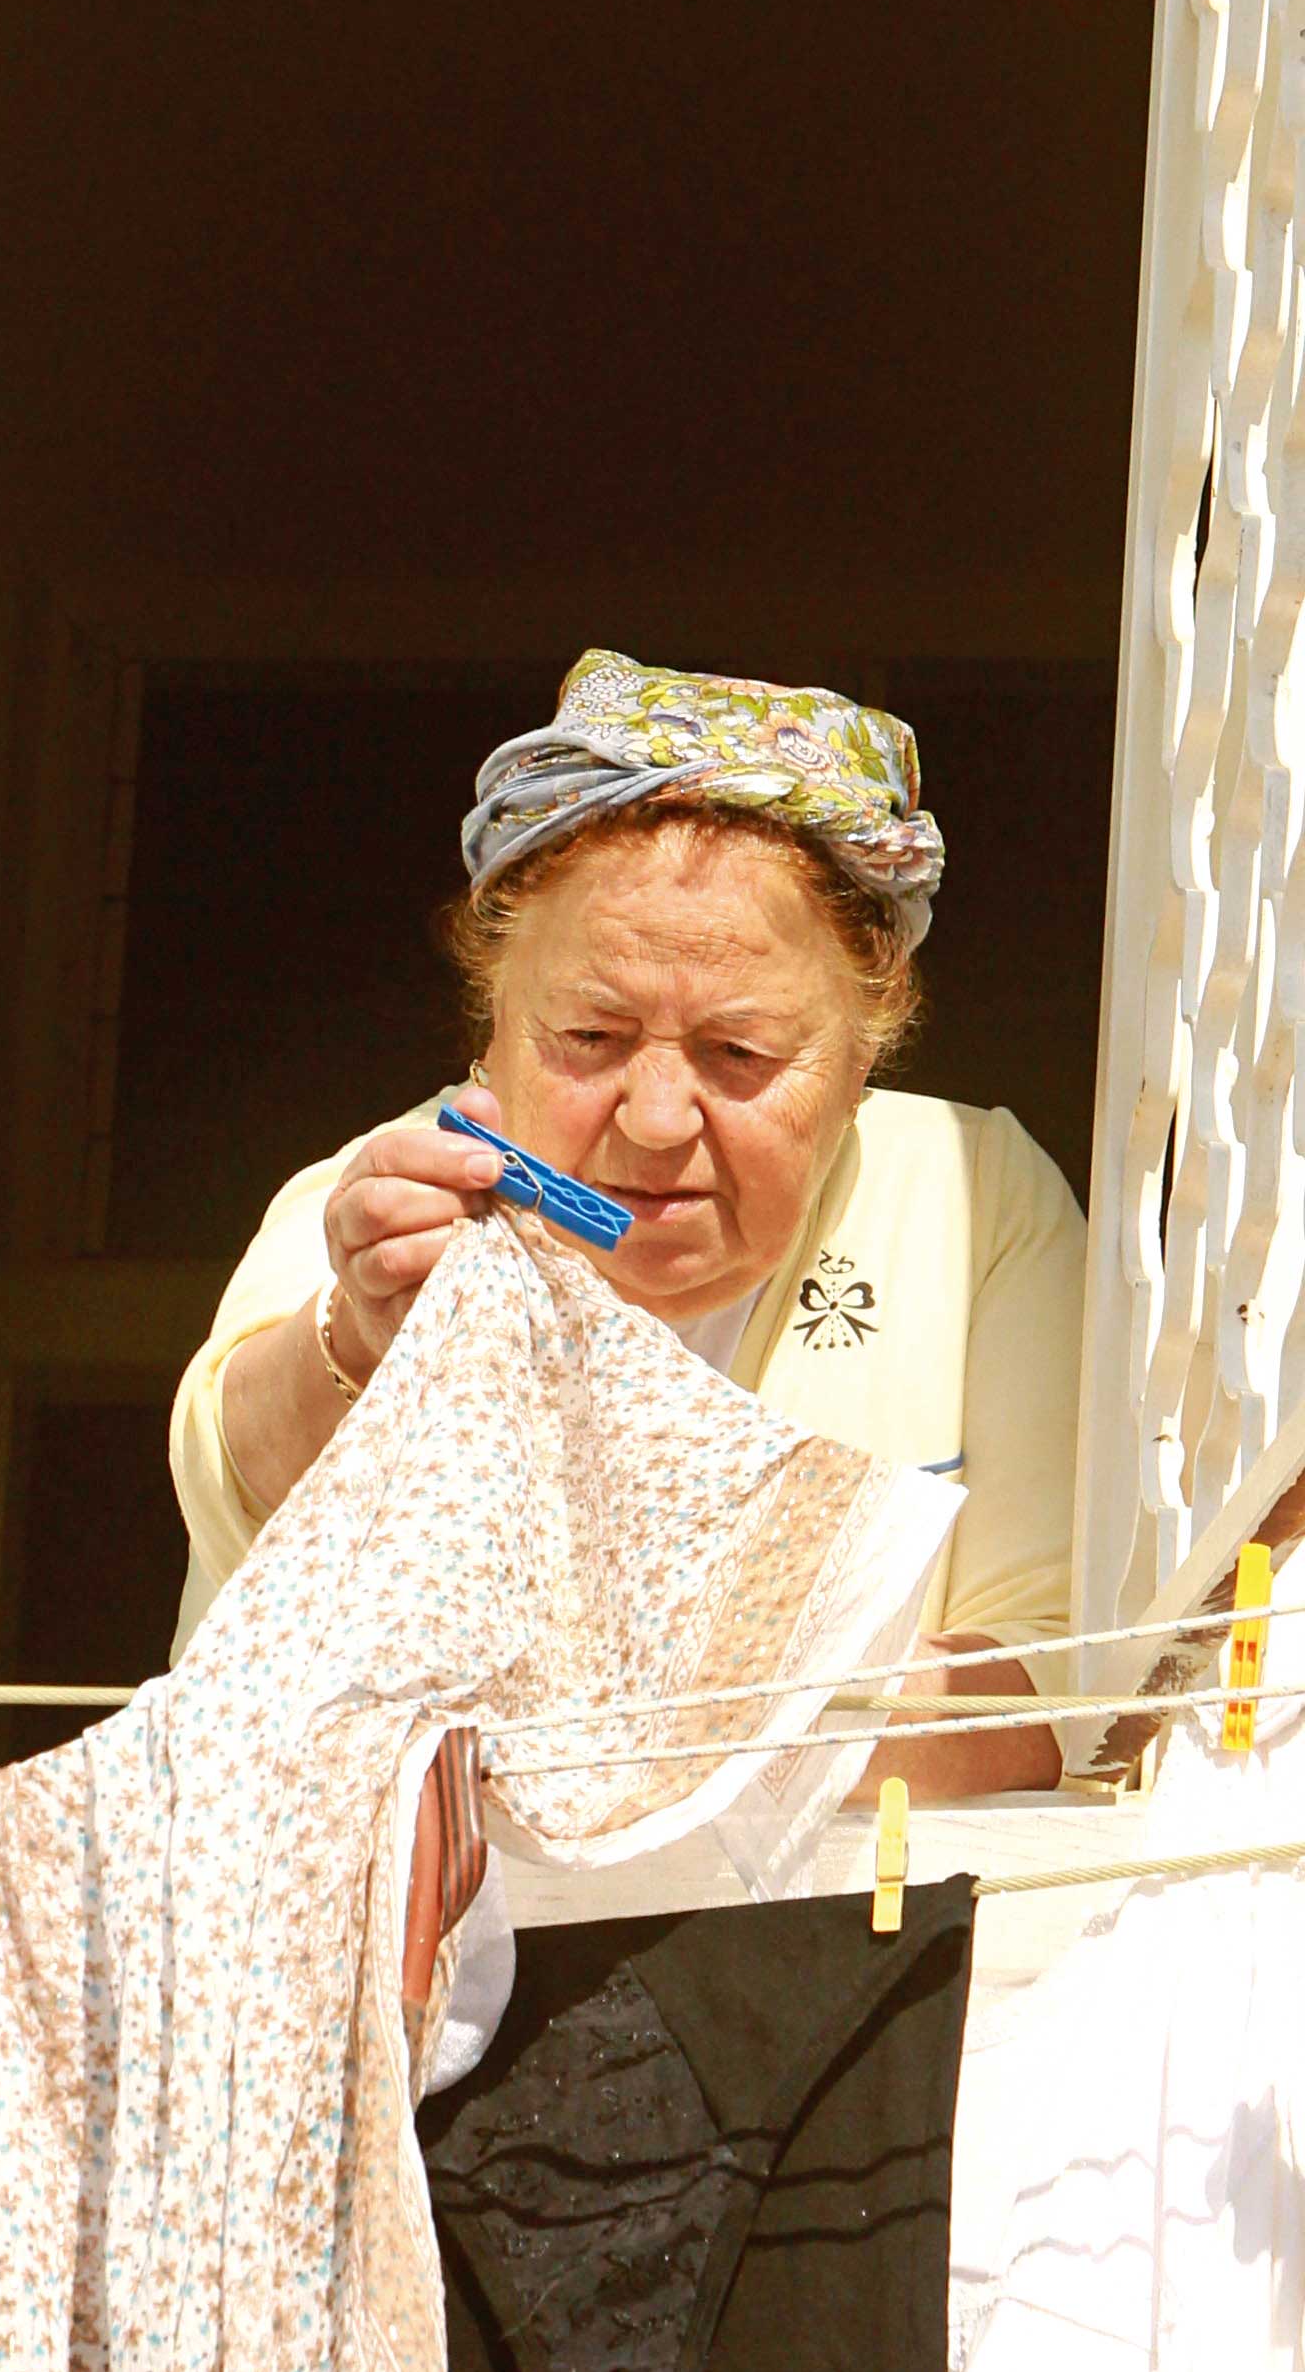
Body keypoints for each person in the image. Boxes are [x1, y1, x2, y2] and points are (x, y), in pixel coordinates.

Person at [169, 650, 1085, 1795]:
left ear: (861, 1066)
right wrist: (362, 1339)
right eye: (592, 1039)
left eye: (739, 1052)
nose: (656, 1120)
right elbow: (228, 1469)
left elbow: (1065, 1681)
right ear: (495, 1024)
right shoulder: (388, 1197)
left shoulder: (970, 1194)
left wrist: (663, 1739)